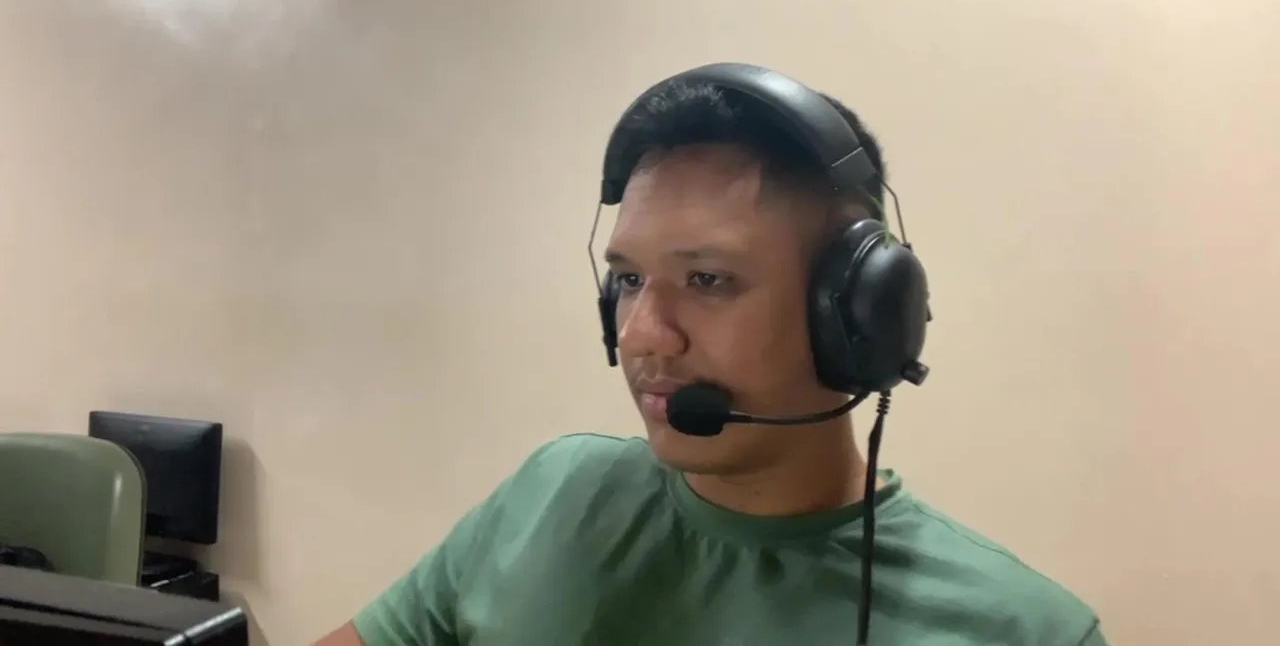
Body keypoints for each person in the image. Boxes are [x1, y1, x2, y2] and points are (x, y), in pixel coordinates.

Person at [316, 67, 1107, 645]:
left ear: (857, 311)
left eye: (708, 280)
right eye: (629, 280)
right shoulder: (553, 493)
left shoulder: (1020, 630)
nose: (642, 334)